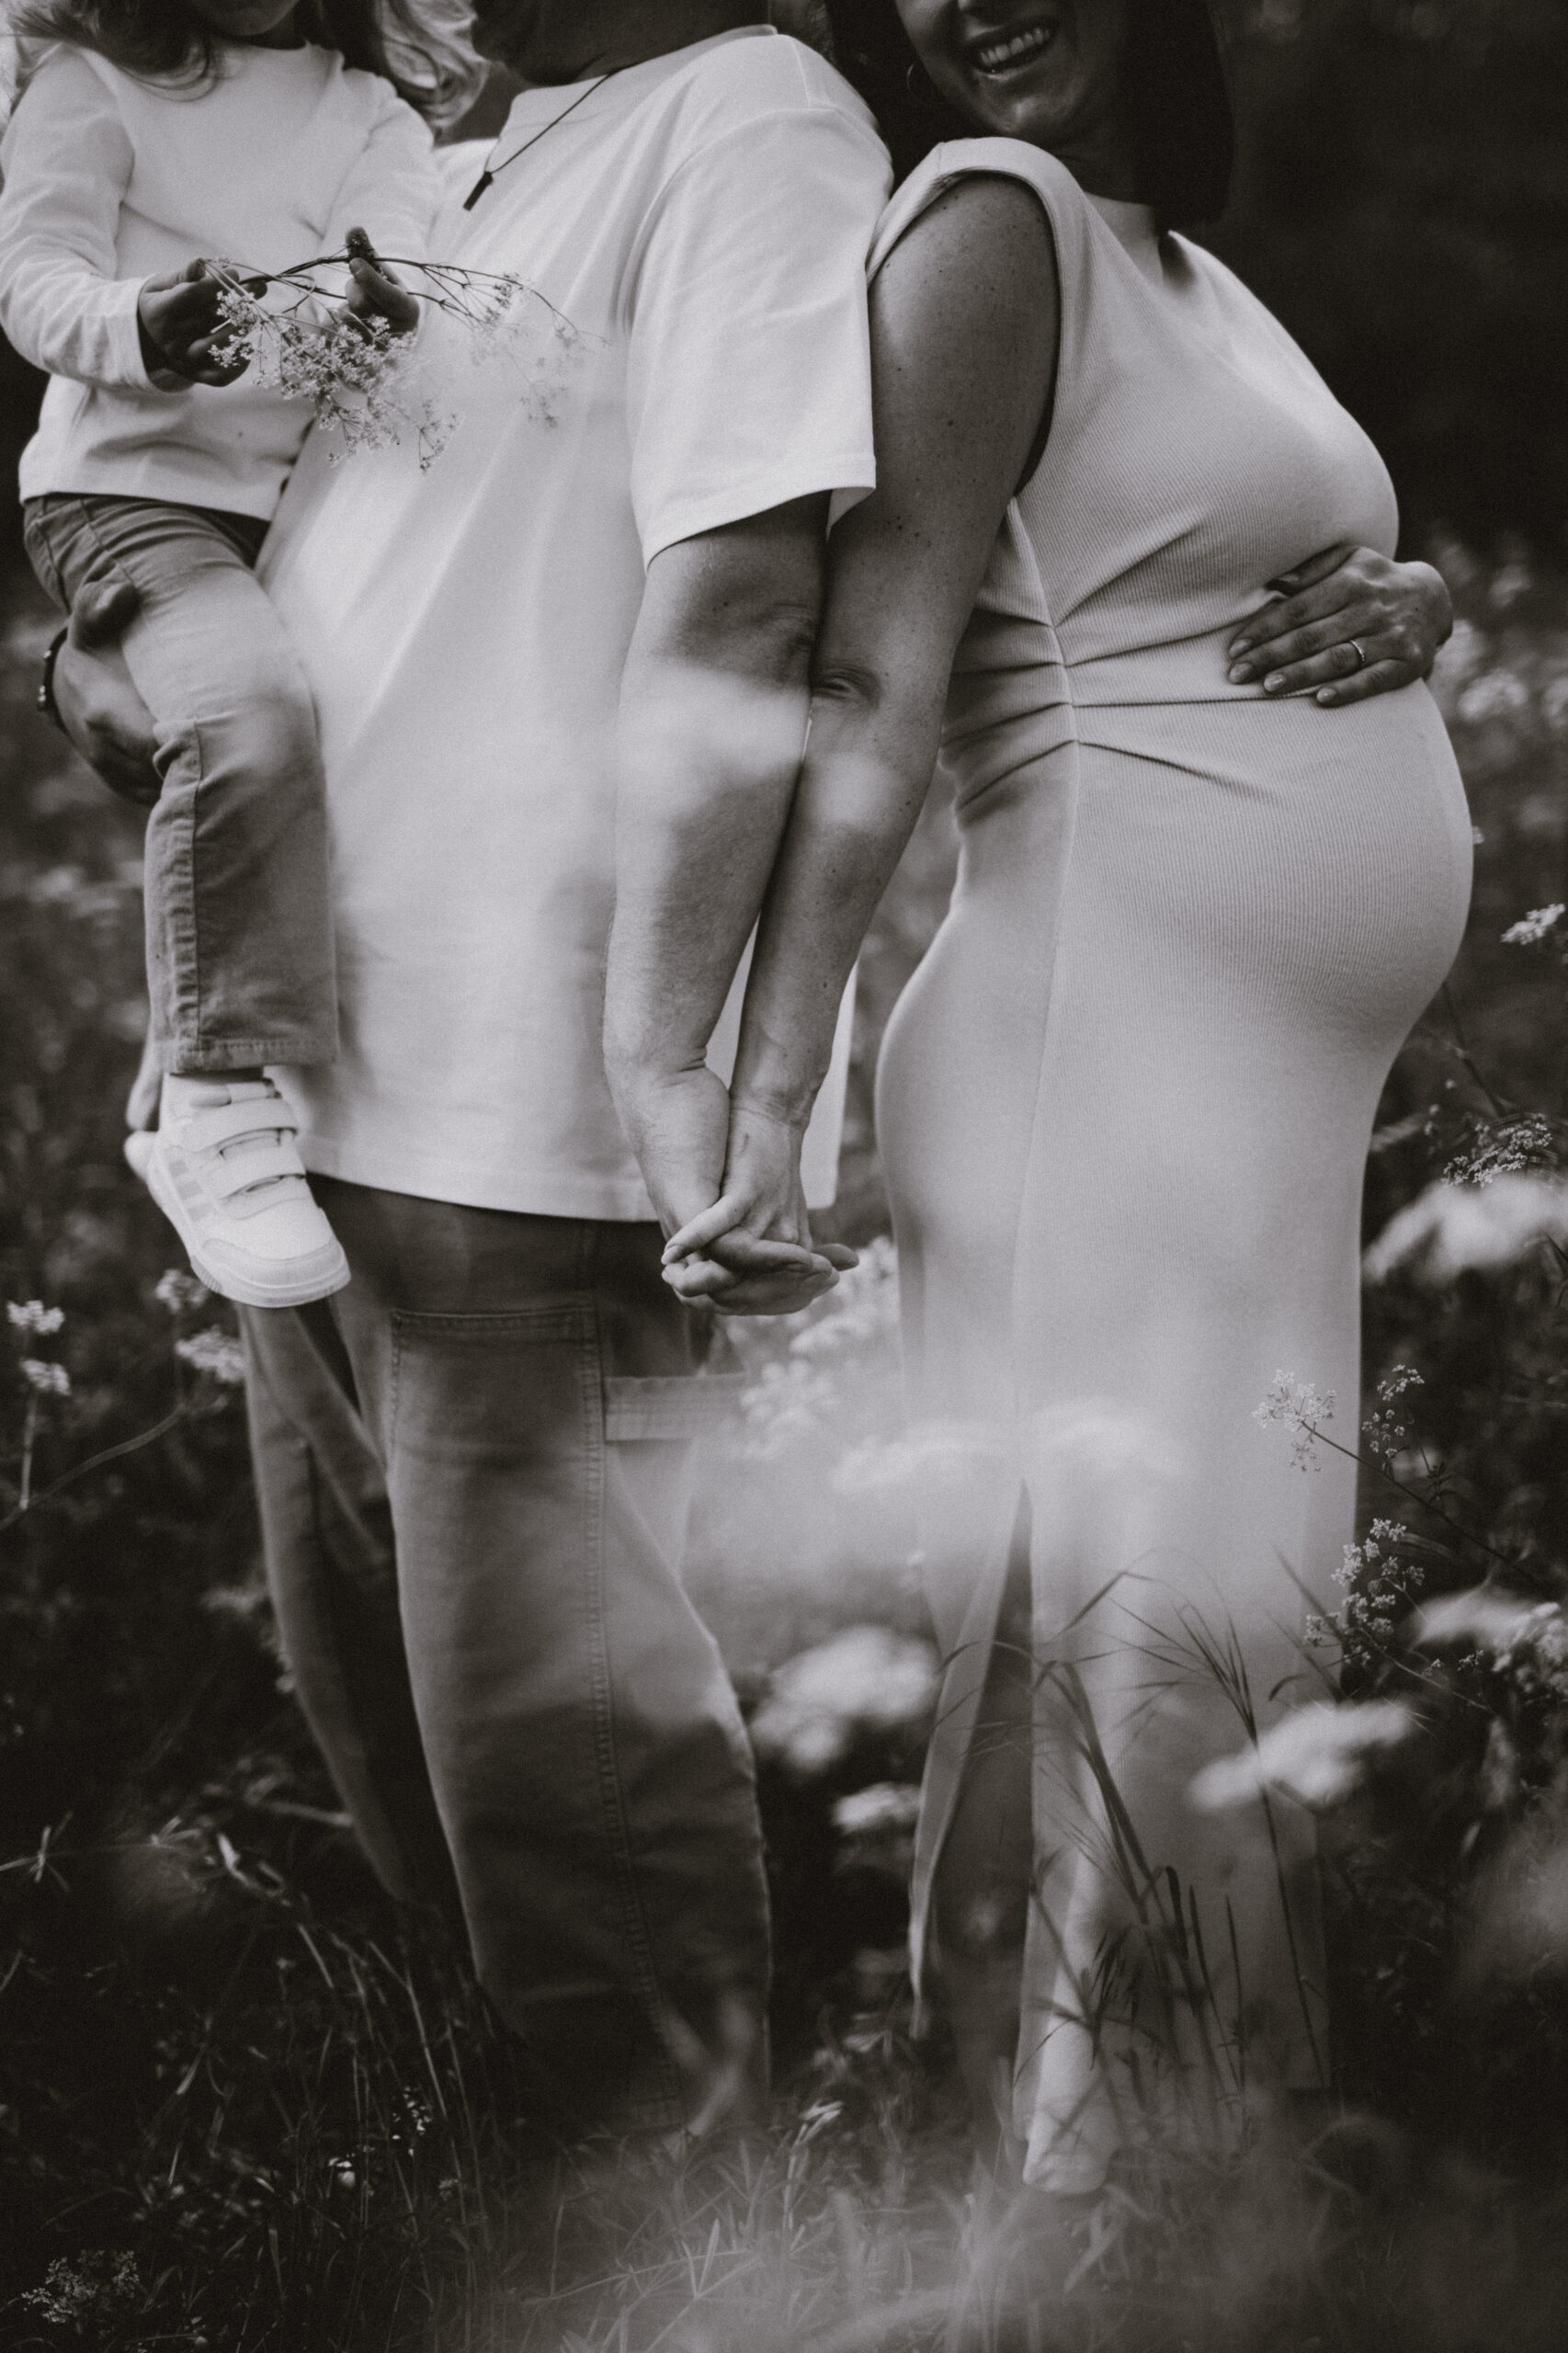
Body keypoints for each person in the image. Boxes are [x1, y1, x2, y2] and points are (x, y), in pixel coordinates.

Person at [634, 0, 1471, 2187]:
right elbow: (868, 668)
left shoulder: (1170, 256)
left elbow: (1210, 567)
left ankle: (1142, 2163)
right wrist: (769, 1098)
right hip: (1106, 1045)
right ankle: (1093, 2198)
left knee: (1207, 1608)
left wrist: (1414, 604)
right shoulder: (987, 220)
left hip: (1232, 1087)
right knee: (1134, 1616)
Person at [48, 0, 890, 2134]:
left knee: (567, 1779)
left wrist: (661, 1064)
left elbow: (748, 604)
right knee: (400, 1734)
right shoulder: (442, 151)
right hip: (317, 1083)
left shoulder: (752, 115)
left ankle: (681, 2234)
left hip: (529, 1099)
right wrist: (114, 660)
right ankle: (524, 2201)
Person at [0, 0, 471, 1306]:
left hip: (295, 513)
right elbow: (33, 276)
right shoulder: (94, 82)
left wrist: (378, 313)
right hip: (131, 492)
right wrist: (138, 329)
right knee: (247, 723)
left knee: (295, 760)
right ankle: (213, 1097)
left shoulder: (373, 115)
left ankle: (187, 1075)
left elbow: (386, 274)